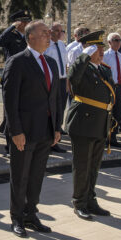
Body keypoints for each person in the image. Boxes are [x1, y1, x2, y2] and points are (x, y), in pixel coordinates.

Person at [3, 20, 62, 237]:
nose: (49, 35)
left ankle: (31, 214)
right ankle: (17, 217)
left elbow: (55, 98)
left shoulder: (51, 62)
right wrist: (15, 131)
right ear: (30, 37)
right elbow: (10, 101)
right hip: (24, 131)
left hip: (45, 130)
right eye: (45, 33)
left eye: (49, 32)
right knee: (20, 176)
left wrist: (57, 127)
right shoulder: (18, 62)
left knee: (36, 176)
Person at [66, 30, 114, 220]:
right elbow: (73, 77)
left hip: (100, 123)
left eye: (102, 48)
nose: (101, 52)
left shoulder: (104, 69)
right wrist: (84, 56)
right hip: (83, 123)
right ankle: (79, 201)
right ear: (88, 50)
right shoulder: (81, 68)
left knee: (94, 166)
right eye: (97, 48)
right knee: (82, 166)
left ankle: (91, 199)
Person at [0, 10, 31, 152]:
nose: (27, 23)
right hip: (12, 77)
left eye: (28, 21)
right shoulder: (11, 35)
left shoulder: (28, 36)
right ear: (19, 23)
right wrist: (11, 27)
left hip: (26, 78)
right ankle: (9, 144)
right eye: (25, 21)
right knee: (10, 112)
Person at [43, 21, 69, 152]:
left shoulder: (62, 45)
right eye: (57, 31)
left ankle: (56, 138)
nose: (60, 33)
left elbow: (65, 65)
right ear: (50, 32)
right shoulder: (47, 46)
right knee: (51, 111)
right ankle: (49, 140)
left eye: (61, 31)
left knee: (60, 109)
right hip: (52, 82)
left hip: (62, 81)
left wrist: (67, 83)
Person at [102, 32, 121, 147]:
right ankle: (105, 137)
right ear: (109, 42)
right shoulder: (105, 56)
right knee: (108, 112)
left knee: (117, 112)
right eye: (115, 40)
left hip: (119, 87)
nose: (118, 42)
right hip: (109, 87)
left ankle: (113, 137)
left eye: (119, 40)